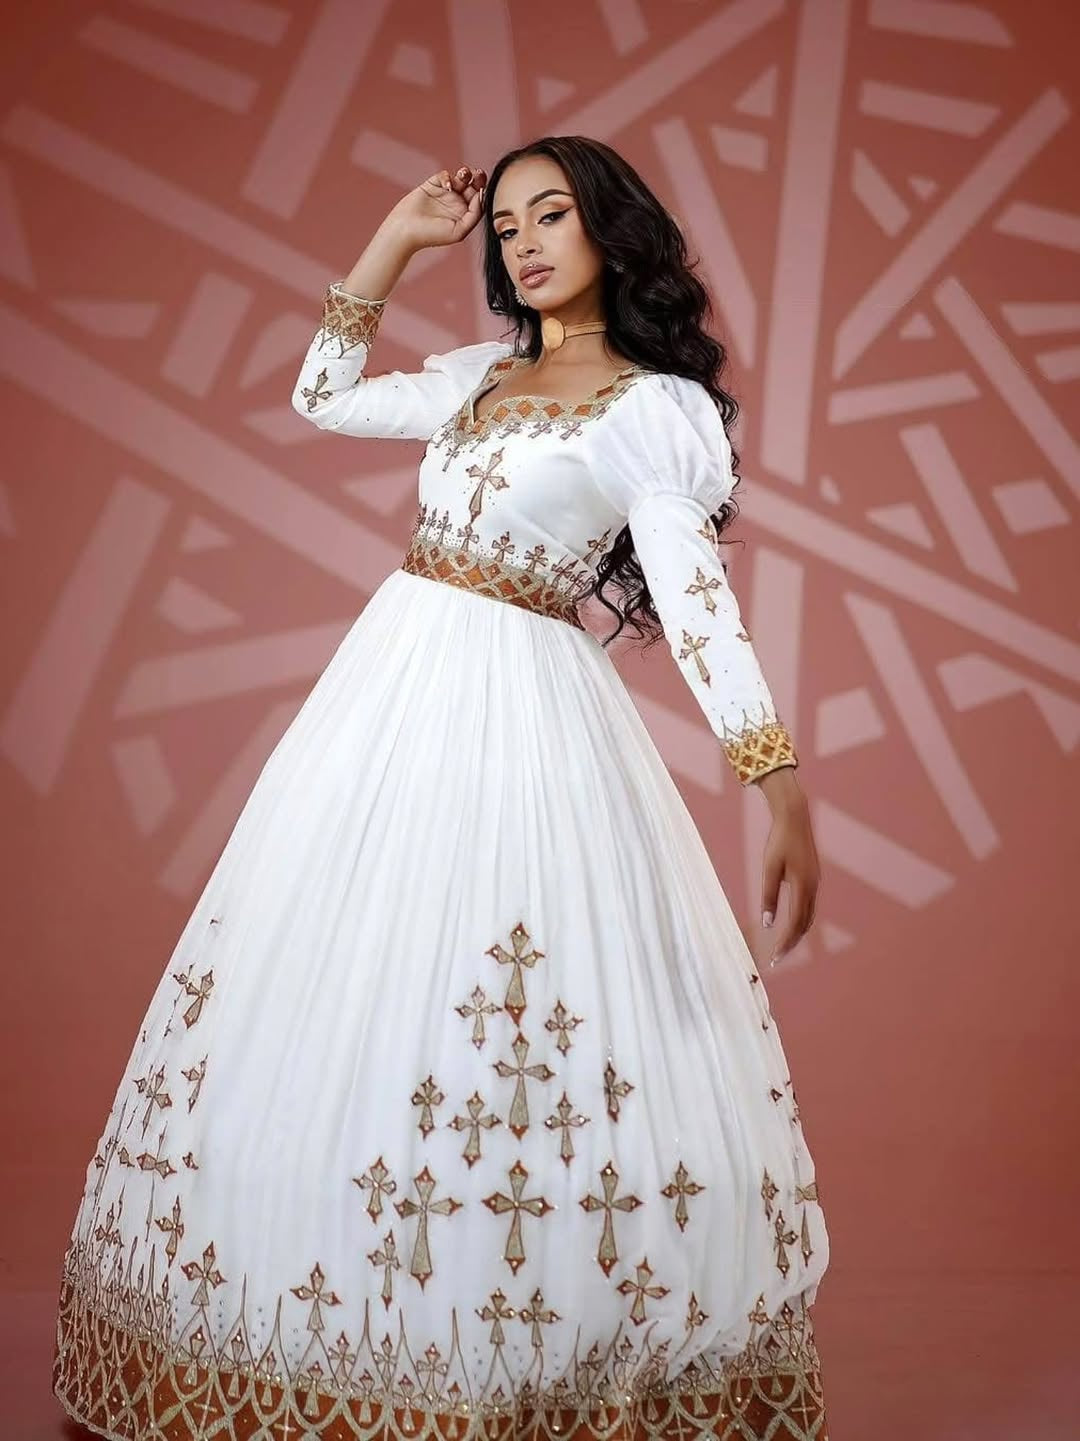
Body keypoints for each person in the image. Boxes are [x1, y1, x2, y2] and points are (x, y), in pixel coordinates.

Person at [52, 136, 829, 1441]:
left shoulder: (648, 412)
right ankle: (338, 1345)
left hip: (521, 713)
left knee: (496, 1008)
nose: (523, 241)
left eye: (554, 215)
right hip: (389, 692)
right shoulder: (482, 376)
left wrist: (779, 783)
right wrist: (396, 242)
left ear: (612, 234)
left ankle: (520, 1367)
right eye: (506, 223)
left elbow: (696, 606)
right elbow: (321, 392)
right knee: (349, 987)